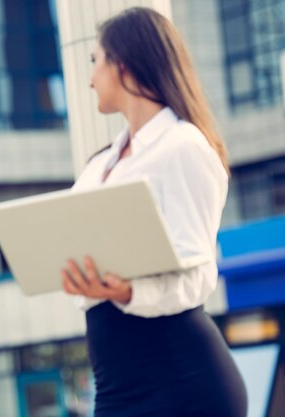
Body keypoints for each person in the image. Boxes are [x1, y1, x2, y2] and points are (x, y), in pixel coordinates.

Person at [60, 7, 247, 417]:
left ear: (123, 65)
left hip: (179, 380)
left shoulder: (183, 148)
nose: (90, 79)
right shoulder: (99, 165)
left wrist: (128, 291)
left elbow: (198, 276)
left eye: (96, 62)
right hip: (117, 385)